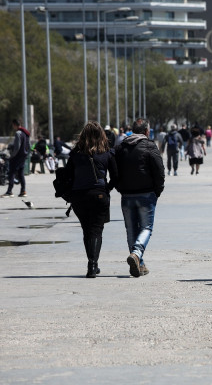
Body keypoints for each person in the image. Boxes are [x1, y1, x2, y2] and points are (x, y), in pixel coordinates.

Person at [65, 121, 118, 278]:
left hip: (79, 197)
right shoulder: (107, 152)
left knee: (87, 230)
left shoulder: (75, 154)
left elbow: (67, 175)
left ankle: (92, 263)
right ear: (102, 135)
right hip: (99, 195)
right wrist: (106, 189)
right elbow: (115, 176)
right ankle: (93, 264)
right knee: (96, 230)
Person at [114, 118, 165, 277]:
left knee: (131, 229)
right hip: (146, 193)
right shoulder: (149, 145)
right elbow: (159, 170)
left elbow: (114, 170)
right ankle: (136, 254)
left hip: (127, 195)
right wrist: (158, 190)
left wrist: (120, 187)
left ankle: (139, 264)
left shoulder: (120, 147)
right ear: (147, 131)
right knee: (146, 228)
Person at [2, 119, 30, 198]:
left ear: (14, 124)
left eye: (12, 125)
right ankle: (23, 191)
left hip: (17, 157)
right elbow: (28, 146)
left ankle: (9, 192)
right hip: (23, 156)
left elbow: (17, 147)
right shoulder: (26, 133)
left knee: (12, 173)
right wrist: (26, 154)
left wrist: (12, 156)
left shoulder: (18, 133)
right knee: (21, 174)